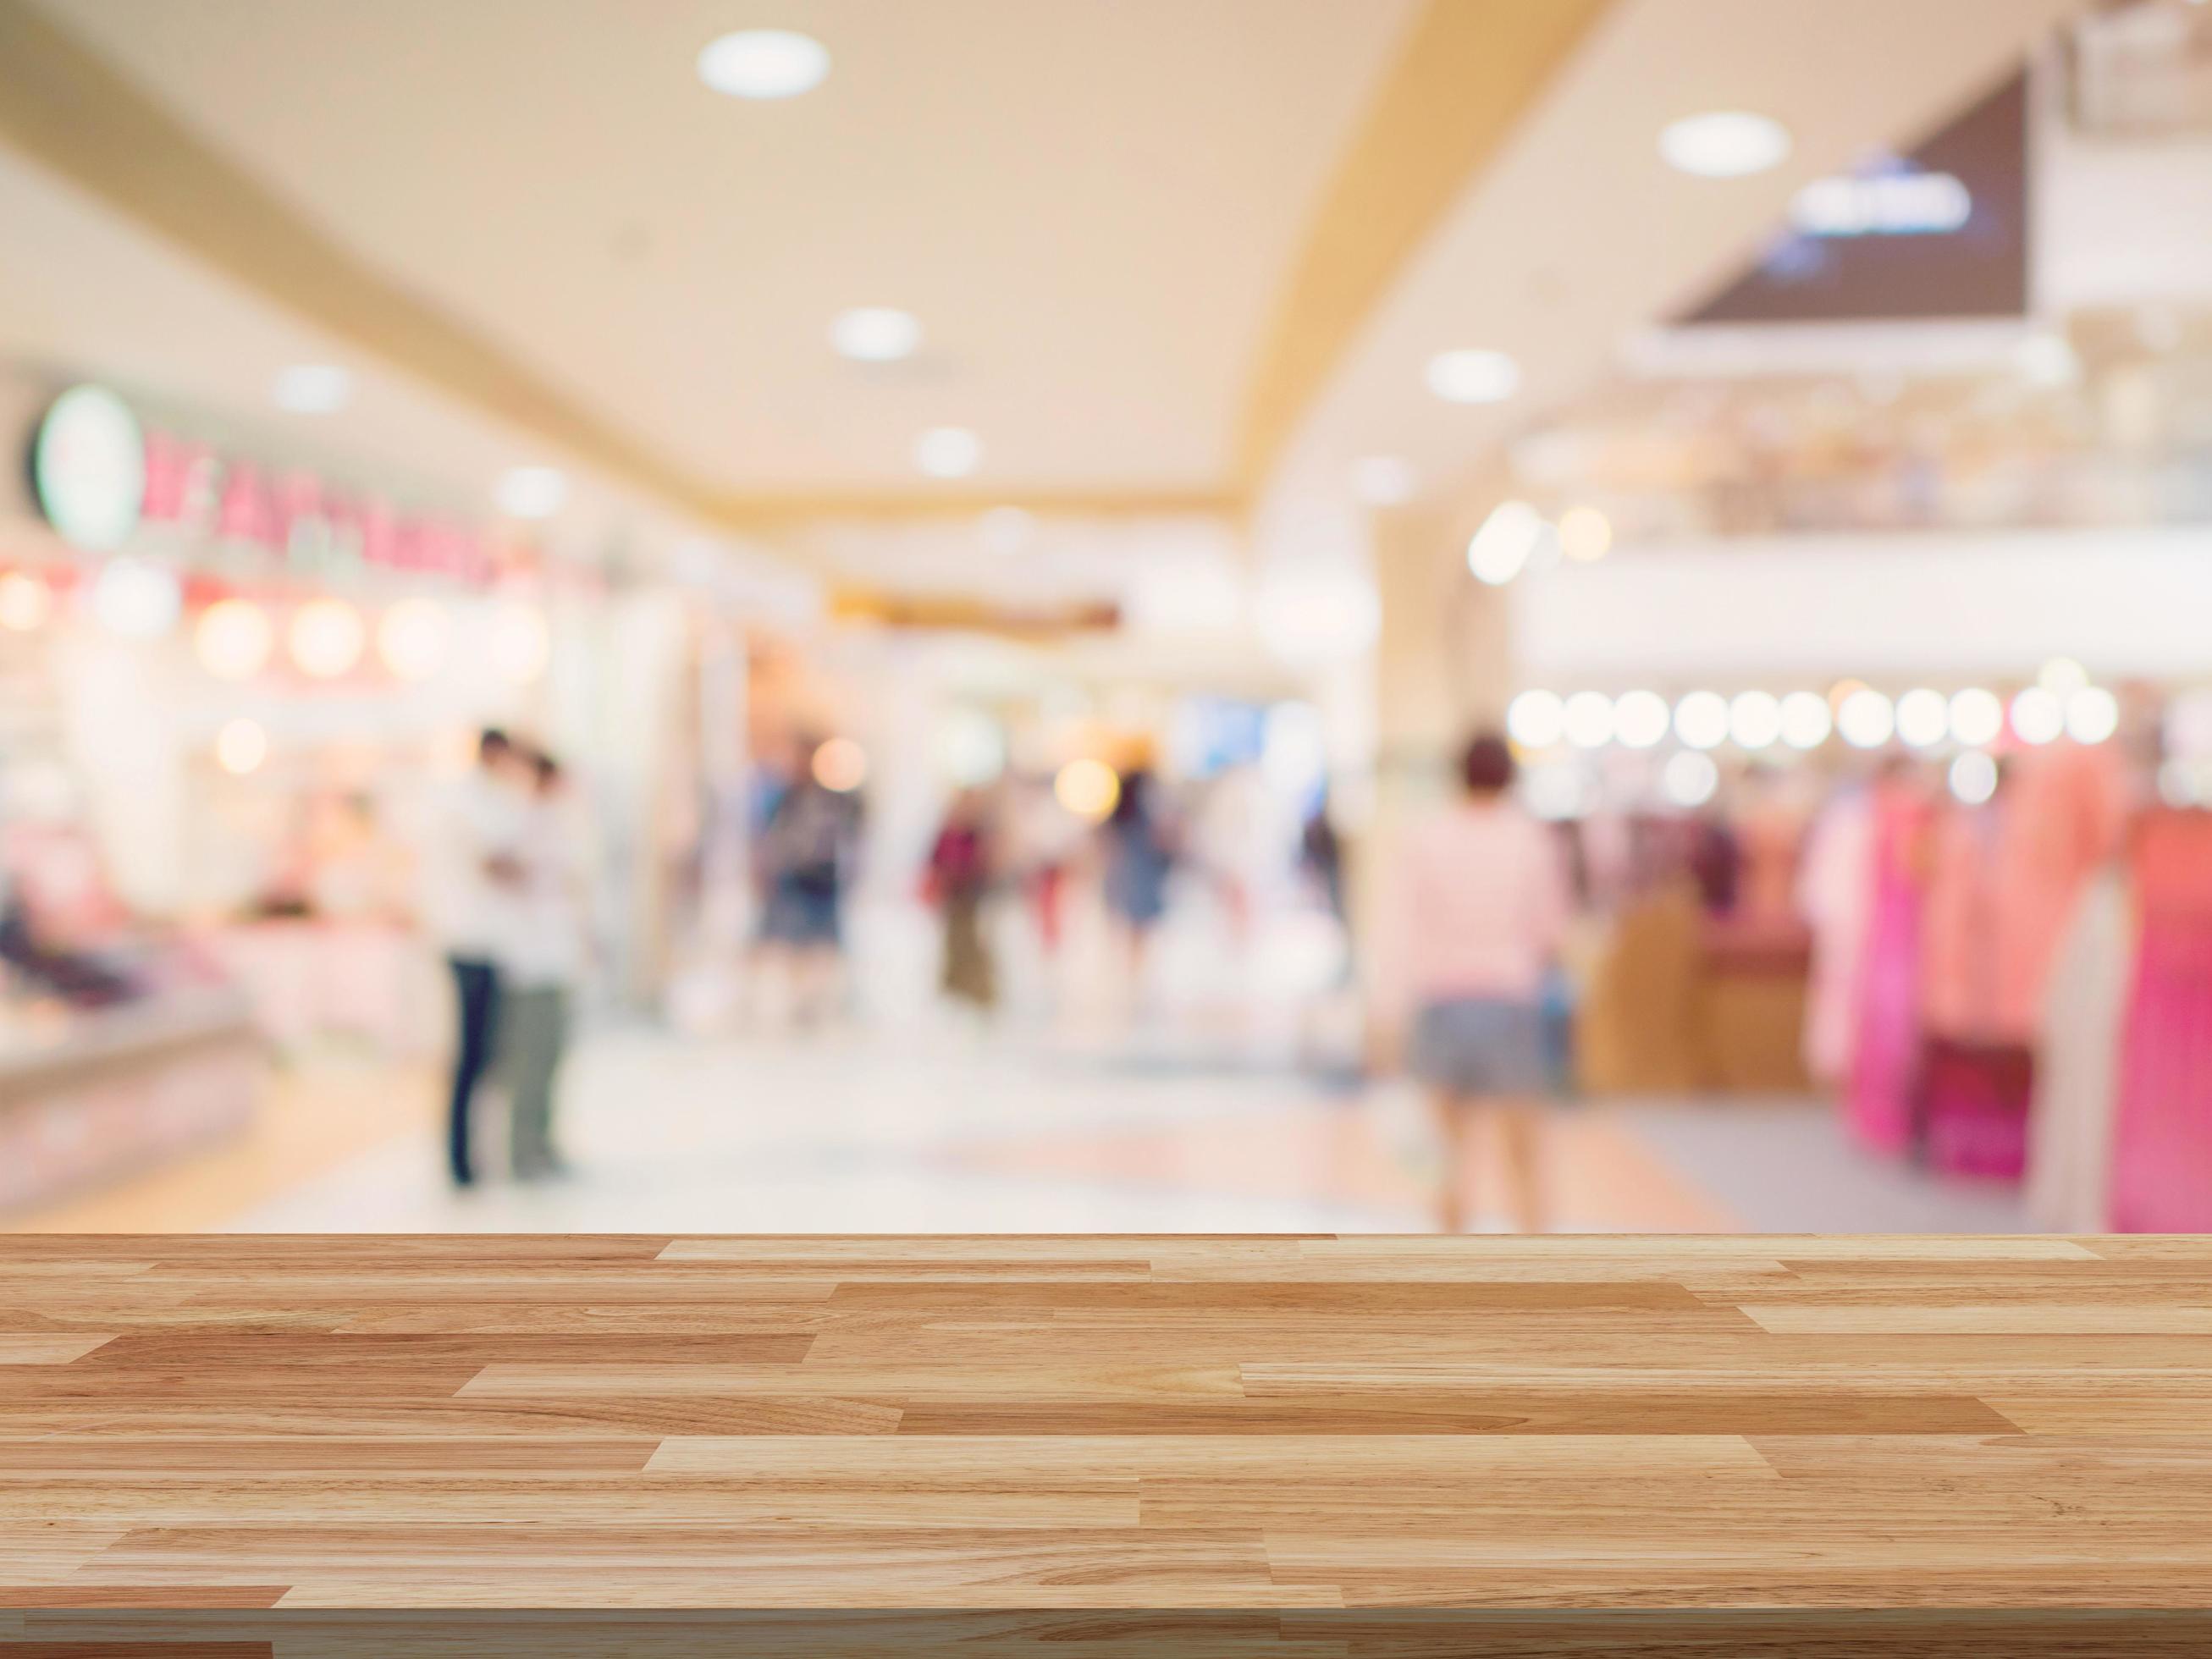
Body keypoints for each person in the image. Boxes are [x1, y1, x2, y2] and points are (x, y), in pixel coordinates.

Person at [1380, 733, 1570, 1232]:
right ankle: (1534, 1258)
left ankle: (1451, 1258)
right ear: (1509, 776)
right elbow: (1551, 929)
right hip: (1510, 998)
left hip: (1442, 999)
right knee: (1523, 1152)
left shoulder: (1427, 835)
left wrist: (1390, 1012)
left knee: (1445, 1154)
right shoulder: (1531, 839)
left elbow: (1403, 926)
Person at [426, 728, 531, 1188]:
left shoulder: (487, 800)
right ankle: (460, 1160)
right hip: (469, 944)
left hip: (485, 943)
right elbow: (498, 864)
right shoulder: (468, 803)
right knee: (471, 1056)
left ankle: (473, 1154)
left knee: (484, 1054)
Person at [499, 749, 587, 1180]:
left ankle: (542, 1144)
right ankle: (524, 1150)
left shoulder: (554, 825)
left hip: (553, 958)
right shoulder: (520, 825)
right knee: (530, 1061)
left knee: (550, 1058)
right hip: (529, 963)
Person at [754, 751, 858, 1026]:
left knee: (821, 945)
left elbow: (848, 837)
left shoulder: (836, 800)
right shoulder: (786, 799)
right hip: (795, 877)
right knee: (793, 942)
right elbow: (772, 837)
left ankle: (815, 1000)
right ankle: (798, 999)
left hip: (823, 879)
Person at [1100, 767, 1176, 1000]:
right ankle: (1135, 977)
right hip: (1138, 878)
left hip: (1132, 878)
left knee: (1133, 929)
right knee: (1139, 930)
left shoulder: (1124, 817)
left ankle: (1133, 977)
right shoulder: (1140, 817)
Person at [924, 788, 999, 1015]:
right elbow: (935, 861)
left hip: (973, 899)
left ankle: (979, 995)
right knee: (954, 946)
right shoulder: (948, 833)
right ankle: (954, 993)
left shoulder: (979, 835)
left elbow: (988, 866)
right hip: (952, 899)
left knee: (975, 945)